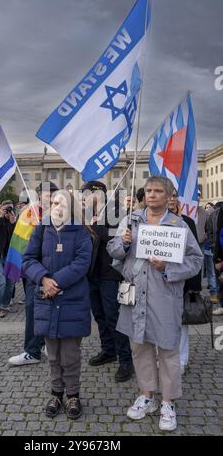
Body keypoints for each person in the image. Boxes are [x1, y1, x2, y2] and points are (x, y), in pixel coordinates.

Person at [107, 176, 203, 431]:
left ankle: (168, 402)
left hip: (165, 296)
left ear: (169, 196)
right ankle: (147, 395)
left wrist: (168, 267)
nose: (151, 194)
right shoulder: (130, 220)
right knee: (140, 347)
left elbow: (196, 260)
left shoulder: (179, 225)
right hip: (135, 295)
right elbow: (113, 251)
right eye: (148, 190)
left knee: (168, 350)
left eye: (158, 191)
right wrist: (124, 243)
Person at [23, 190, 92, 419]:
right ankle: (56, 393)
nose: (56, 207)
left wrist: (57, 282)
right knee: (52, 355)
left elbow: (82, 263)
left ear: (71, 207)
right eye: (53, 202)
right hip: (47, 301)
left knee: (70, 355)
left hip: (72, 301)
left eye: (62, 203)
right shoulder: (41, 230)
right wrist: (43, 278)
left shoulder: (81, 232)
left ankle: (73, 395)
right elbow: (29, 259)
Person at [82, 181, 133, 382]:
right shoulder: (88, 214)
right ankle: (108, 350)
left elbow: (114, 239)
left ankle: (125, 359)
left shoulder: (117, 212)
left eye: (86, 195)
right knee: (100, 316)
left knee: (114, 317)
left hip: (111, 273)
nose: (84, 199)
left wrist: (93, 224)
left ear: (98, 194)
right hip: (93, 273)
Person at [8, 182, 58, 365]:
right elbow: (20, 241)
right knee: (32, 309)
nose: (50, 197)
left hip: (55, 271)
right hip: (34, 272)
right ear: (38, 196)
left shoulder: (63, 213)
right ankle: (32, 351)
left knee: (52, 309)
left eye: (53, 193)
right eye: (46, 194)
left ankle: (45, 344)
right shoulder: (29, 213)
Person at [168, 189, 202, 374]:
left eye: (174, 196)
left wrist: (194, 286)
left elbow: (195, 255)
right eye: (169, 196)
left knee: (181, 323)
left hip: (182, 280)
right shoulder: (153, 223)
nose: (172, 199)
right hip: (161, 281)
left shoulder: (187, 222)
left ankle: (181, 360)